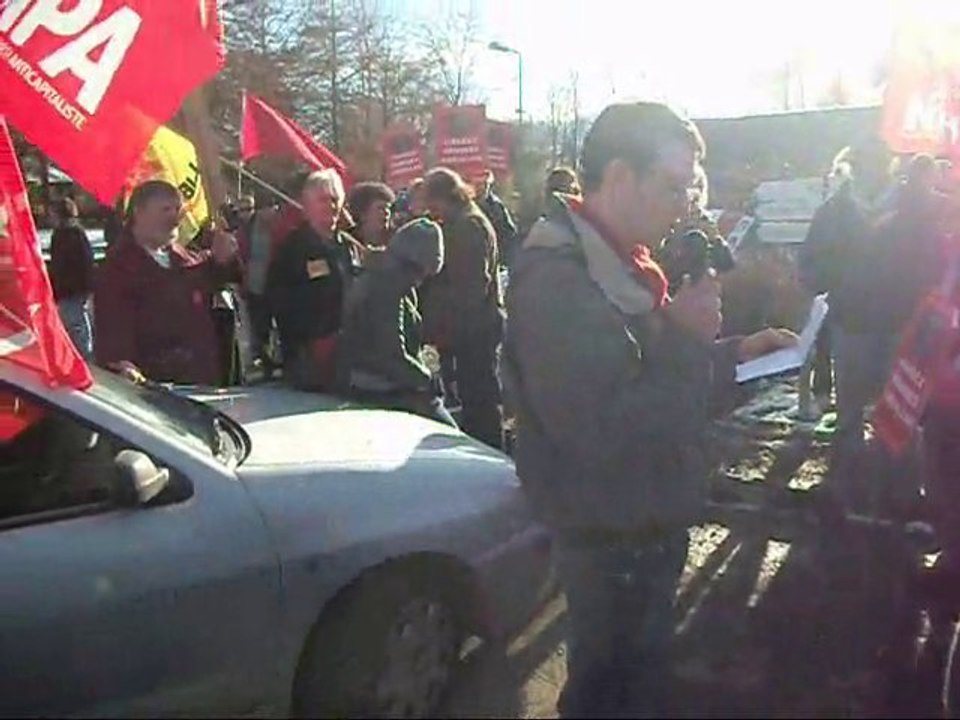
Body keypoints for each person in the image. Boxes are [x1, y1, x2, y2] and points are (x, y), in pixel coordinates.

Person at [503, 101, 797, 718]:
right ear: (619, 177)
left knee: (634, 681)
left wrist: (734, 353)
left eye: (689, 188)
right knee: (611, 692)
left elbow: (647, 373)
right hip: (611, 533)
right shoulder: (560, 279)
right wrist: (690, 341)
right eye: (672, 186)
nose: (684, 205)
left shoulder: (617, 263)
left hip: (641, 519)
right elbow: (604, 430)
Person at [802, 137, 904, 509]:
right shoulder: (833, 212)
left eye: (879, 164)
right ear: (854, 168)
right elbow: (810, 265)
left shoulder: (911, 207)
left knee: (900, 411)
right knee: (850, 410)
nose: (872, 172)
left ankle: (897, 487)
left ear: (889, 166)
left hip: (901, 325)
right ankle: (847, 486)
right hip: (852, 323)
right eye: (865, 165)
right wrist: (838, 279)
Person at [94, 180, 241, 385]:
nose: (175, 219)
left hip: (200, 382)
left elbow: (219, 279)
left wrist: (223, 259)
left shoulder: (185, 259)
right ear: (138, 212)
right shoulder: (118, 269)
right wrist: (122, 366)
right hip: (154, 386)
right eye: (165, 210)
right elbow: (113, 333)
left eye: (177, 209)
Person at [336, 218, 455, 426]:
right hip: (381, 385)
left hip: (372, 378)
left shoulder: (380, 276)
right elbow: (390, 352)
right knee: (446, 431)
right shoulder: (389, 288)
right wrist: (427, 380)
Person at [422, 167, 505, 449]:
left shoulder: (468, 226)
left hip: (475, 328)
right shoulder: (463, 221)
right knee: (476, 399)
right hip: (473, 325)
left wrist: (447, 324)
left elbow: (470, 287)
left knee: (480, 401)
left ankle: (489, 451)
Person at [267, 169, 362, 391]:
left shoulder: (348, 246)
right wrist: (307, 340)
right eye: (323, 200)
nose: (330, 205)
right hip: (308, 353)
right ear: (307, 205)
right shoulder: (293, 248)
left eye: (334, 199)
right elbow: (279, 301)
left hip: (347, 348)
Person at [236, 196, 280, 379]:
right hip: (254, 286)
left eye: (249, 209)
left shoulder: (275, 228)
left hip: (273, 284)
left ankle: (273, 360)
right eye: (241, 210)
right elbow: (241, 257)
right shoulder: (245, 230)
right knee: (259, 326)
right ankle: (265, 362)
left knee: (274, 325)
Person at [48, 197, 95, 359]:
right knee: (75, 323)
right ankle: (81, 356)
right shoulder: (74, 233)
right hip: (73, 288)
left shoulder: (67, 235)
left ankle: (84, 359)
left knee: (75, 325)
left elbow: (63, 265)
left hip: (70, 288)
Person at [474, 168, 518, 266]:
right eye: (479, 184)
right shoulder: (466, 205)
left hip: (495, 258)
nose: (482, 188)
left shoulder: (496, 206)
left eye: (485, 184)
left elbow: (508, 233)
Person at [348, 182, 395, 248]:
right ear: (363, 213)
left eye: (388, 208)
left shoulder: (396, 240)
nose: (387, 212)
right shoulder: (347, 243)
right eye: (380, 208)